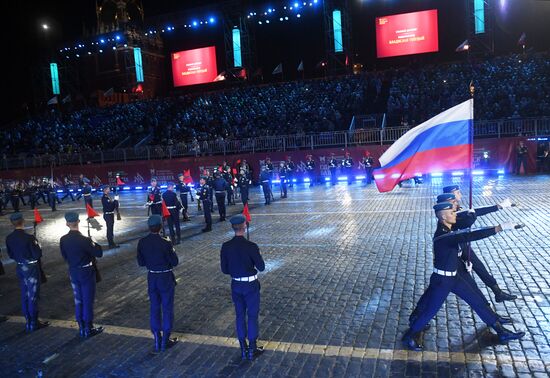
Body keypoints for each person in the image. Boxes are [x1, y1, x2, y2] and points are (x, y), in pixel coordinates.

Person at [402, 203, 525, 350]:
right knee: (430, 311)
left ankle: (501, 332)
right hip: (442, 281)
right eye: (452, 212)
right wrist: (499, 228)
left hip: (455, 277)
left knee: (477, 301)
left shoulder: (449, 229)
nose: (455, 214)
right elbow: (470, 235)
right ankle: (410, 335)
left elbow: (465, 226)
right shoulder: (443, 235)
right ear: (443, 216)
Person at [442, 185, 517, 302]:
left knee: (480, 267)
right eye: (457, 192)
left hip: (462, 245)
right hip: (453, 252)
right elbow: (467, 222)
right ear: (450, 197)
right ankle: (484, 305)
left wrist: (498, 207)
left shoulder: (455, 209)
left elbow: (475, 212)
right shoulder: (447, 213)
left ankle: (497, 292)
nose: (460, 195)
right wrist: (498, 228)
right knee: (468, 285)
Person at [220, 214, 265, 360]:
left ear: (233, 228)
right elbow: (261, 267)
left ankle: (243, 347)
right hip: (250, 285)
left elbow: (225, 270)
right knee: (252, 315)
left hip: (236, 284)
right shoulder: (251, 246)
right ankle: (252, 347)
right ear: (245, 227)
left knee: (240, 315)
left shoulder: (226, 246)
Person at [137, 215, 179, 352]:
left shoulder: (142, 242)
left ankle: (157, 337)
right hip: (165, 276)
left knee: (154, 307)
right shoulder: (166, 242)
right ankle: (166, 339)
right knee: (167, 307)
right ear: (161, 227)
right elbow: (175, 261)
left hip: (152, 276)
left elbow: (141, 262)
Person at [60, 212, 104, 338]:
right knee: (87, 300)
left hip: (73, 271)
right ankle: (88, 328)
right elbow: (98, 253)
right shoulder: (85, 239)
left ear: (67, 223)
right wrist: (93, 241)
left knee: (78, 300)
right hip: (86, 272)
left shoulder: (63, 239)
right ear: (78, 222)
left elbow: (64, 256)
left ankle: (81, 326)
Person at [5, 212, 50, 332]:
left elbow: (10, 255)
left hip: (20, 267)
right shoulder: (29, 238)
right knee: (33, 296)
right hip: (31, 268)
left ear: (12, 224)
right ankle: (34, 322)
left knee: (24, 295)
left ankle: (28, 321)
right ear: (23, 221)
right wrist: (38, 245)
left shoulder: (9, 238)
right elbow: (37, 254)